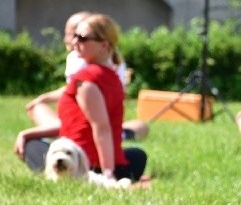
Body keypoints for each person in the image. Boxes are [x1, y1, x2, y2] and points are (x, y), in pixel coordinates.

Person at [14, 14, 148, 182]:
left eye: (82, 38)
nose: (74, 41)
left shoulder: (86, 80)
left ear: (104, 45)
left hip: (81, 163)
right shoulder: (114, 78)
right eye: (74, 36)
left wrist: (108, 173)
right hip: (105, 159)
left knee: (31, 145)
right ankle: (111, 171)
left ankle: (94, 173)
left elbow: (102, 129)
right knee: (137, 156)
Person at [25, 11, 149, 141]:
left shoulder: (81, 67)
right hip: (104, 127)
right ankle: (121, 135)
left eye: (76, 36)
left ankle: (54, 135)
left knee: (37, 108)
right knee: (141, 127)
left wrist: (42, 100)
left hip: (82, 131)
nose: (70, 40)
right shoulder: (115, 61)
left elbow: (90, 117)